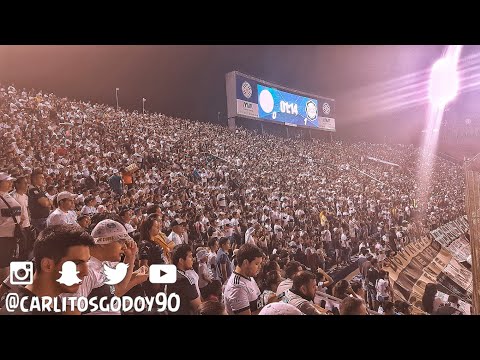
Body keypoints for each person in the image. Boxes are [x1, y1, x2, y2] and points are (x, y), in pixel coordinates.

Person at [0, 224, 94, 315]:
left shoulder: (50, 300)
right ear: (47, 265)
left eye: (87, 262)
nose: (85, 272)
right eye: (76, 263)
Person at [63, 219, 147, 315]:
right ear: (102, 242)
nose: (124, 247)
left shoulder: (104, 263)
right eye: (120, 242)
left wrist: (130, 257)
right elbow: (71, 312)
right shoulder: (85, 270)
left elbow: (118, 289)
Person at [223, 243, 264, 315]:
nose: (260, 267)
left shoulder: (249, 276)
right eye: (257, 264)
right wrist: (268, 307)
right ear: (246, 263)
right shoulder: (237, 287)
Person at [165, 244, 201, 315]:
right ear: (181, 260)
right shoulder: (185, 280)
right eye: (190, 256)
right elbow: (198, 307)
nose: (192, 259)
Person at [0, 172, 22, 282]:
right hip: (2, 237)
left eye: (10, 181)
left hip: (12, 236)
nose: (10, 183)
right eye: (7, 181)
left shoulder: (8, 195)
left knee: (9, 262)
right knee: (3, 264)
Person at [28, 169, 52, 234]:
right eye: (41, 178)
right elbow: (45, 203)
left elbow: (48, 203)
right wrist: (49, 201)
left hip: (42, 218)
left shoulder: (39, 189)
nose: (43, 180)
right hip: (39, 219)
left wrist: (48, 201)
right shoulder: (33, 189)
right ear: (34, 179)